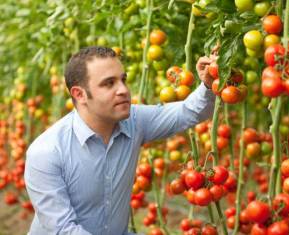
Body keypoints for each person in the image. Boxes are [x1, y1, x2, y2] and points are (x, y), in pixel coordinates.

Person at [24, 46, 216, 235]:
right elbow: (63, 230)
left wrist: (207, 84)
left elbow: (189, 112)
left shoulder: (135, 121)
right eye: (109, 83)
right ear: (79, 94)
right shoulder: (46, 152)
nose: (123, 90)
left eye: (123, 80)